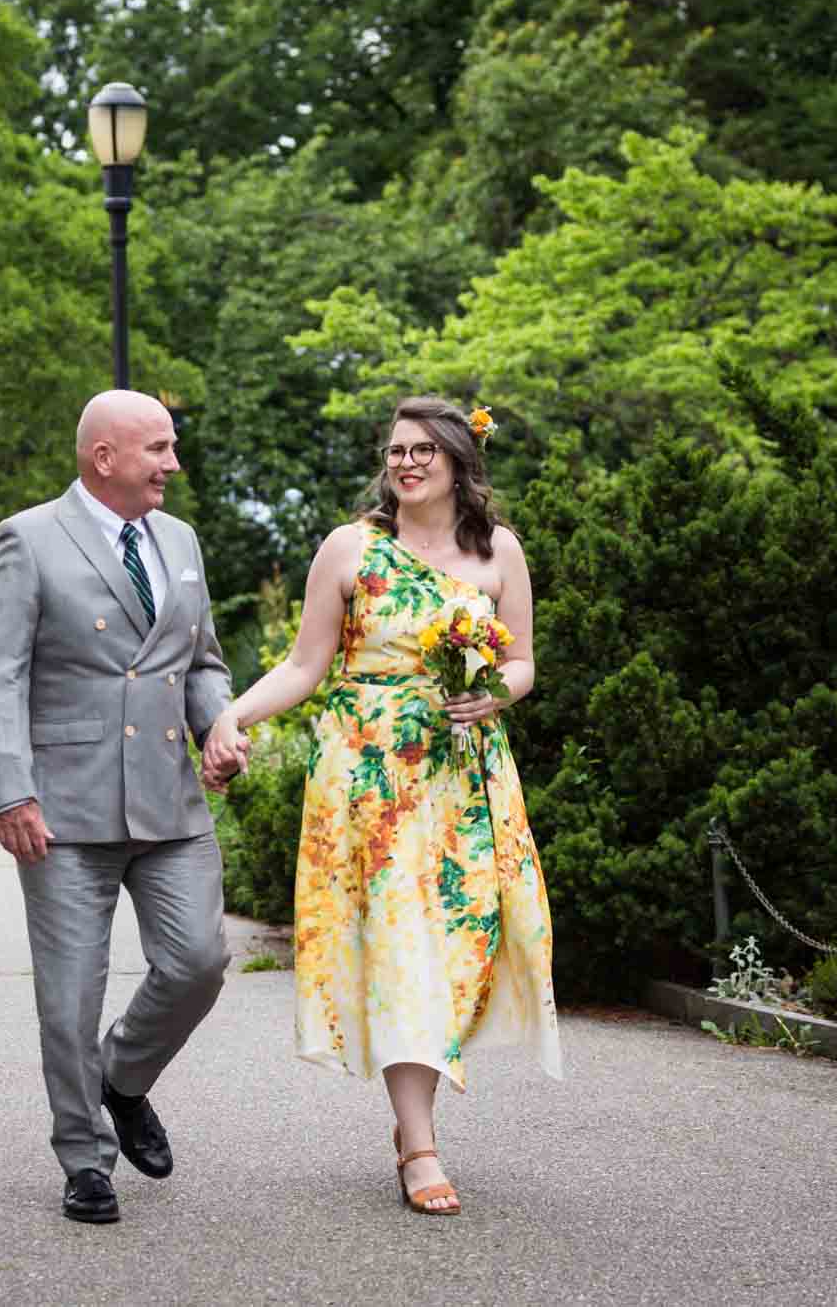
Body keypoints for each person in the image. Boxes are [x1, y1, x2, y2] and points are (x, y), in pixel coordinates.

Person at [202, 395, 561, 1217]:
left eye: (423, 451)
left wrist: (490, 694)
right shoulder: (351, 549)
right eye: (396, 451)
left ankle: (414, 1126)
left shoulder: (498, 551)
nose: (405, 462)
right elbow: (304, 664)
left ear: (459, 463)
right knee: (402, 948)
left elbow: (525, 662)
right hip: (369, 780)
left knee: (453, 948)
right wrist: (232, 715)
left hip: (464, 778)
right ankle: (421, 1144)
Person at [0, 388, 247, 1225]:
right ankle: (84, 1157)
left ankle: (122, 1079)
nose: (172, 463)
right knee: (69, 996)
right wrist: (12, 789)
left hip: (170, 797)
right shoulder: (27, 538)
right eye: (159, 448)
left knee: (198, 961)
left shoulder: (181, 540)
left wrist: (218, 724)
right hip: (63, 806)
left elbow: (201, 659)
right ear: (105, 457)